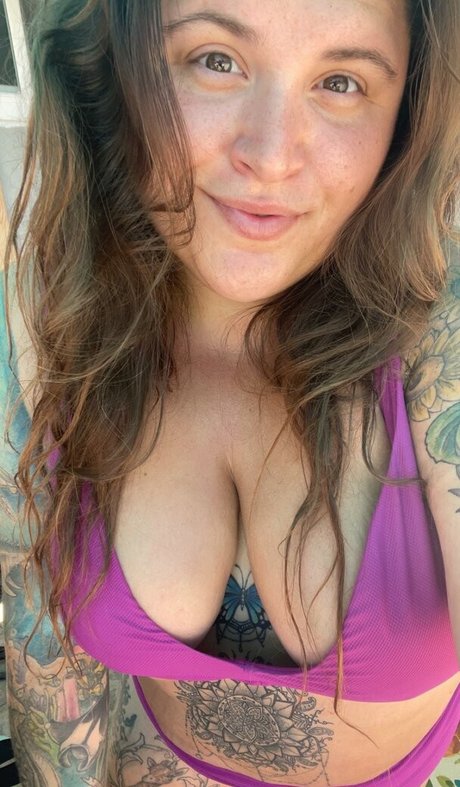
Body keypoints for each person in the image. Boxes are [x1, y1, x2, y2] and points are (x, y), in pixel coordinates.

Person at [1, 0, 459, 785]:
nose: (272, 156)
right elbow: (42, 650)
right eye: (216, 60)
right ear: (111, 65)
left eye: (342, 81)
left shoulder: (437, 310)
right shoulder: (46, 312)